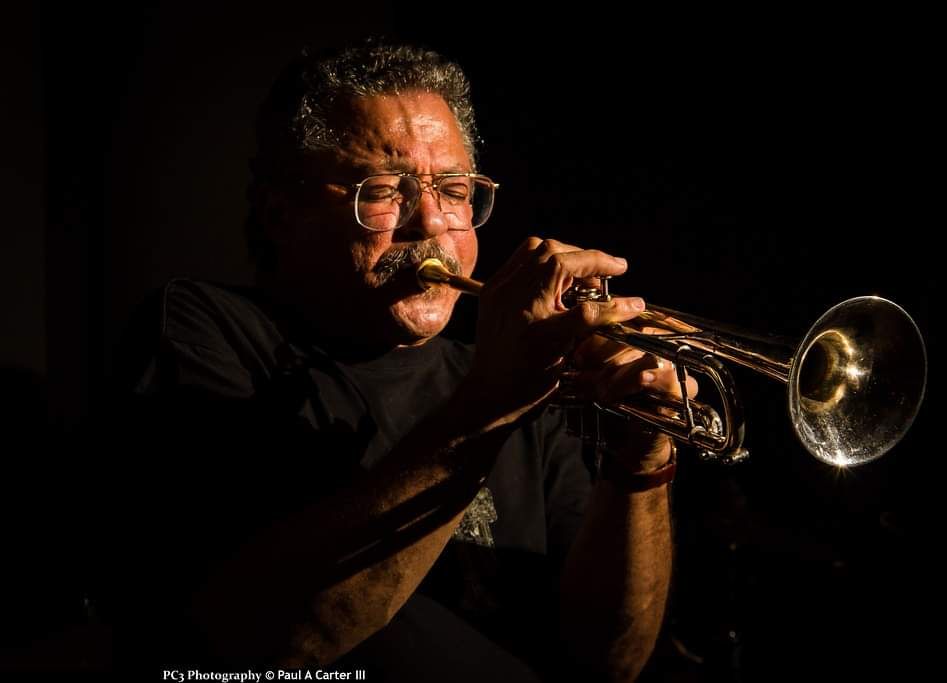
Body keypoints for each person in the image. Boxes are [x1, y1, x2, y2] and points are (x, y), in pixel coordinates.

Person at [119, 40, 685, 681]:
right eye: (385, 190)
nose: (431, 223)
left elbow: (611, 661)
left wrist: (642, 463)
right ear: (282, 212)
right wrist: (493, 400)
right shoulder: (207, 328)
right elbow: (268, 644)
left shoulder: (518, 379)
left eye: (453, 189)